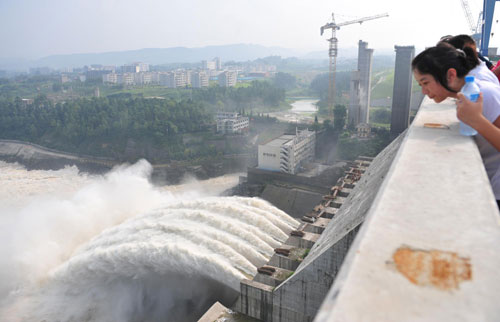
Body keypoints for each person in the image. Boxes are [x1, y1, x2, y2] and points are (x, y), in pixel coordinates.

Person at [412, 45, 500, 209]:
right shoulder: (466, 94)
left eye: (426, 82)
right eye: (420, 85)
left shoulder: (484, 94)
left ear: (451, 75)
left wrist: (477, 121)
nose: (424, 91)